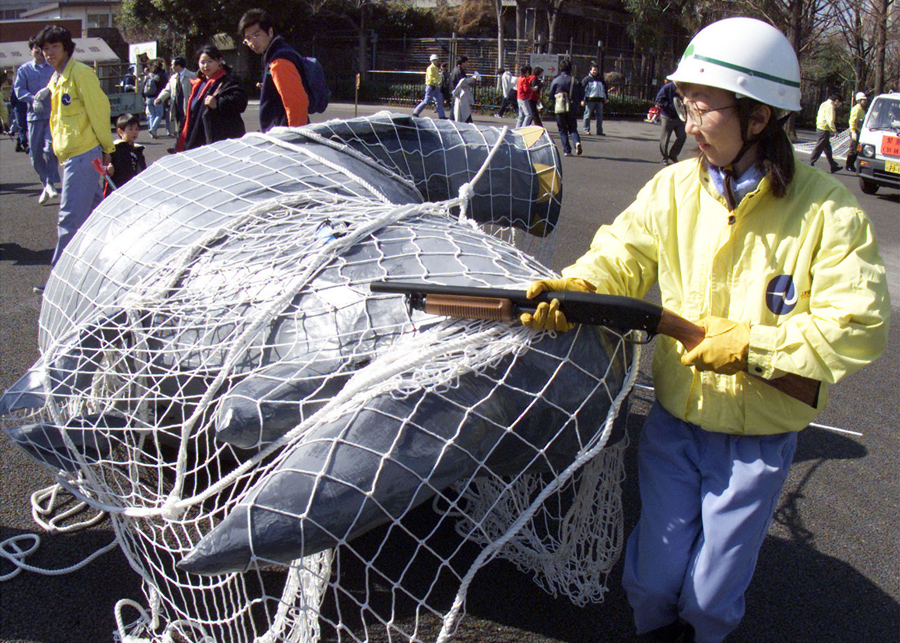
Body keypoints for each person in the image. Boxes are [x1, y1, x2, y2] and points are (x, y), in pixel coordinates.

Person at [519, 17, 890, 643]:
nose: (687, 123)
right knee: (650, 582)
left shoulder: (830, 210)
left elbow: (859, 326)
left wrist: (754, 347)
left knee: (712, 599)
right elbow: (622, 253)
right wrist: (578, 286)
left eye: (701, 108)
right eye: (684, 105)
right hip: (675, 421)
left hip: (759, 437)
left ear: (759, 115)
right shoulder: (673, 188)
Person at [36, 24, 114, 268]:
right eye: (45, 49)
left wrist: (107, 149)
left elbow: (99, 112)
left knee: (69, 219)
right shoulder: (56, 78)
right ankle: (110, 262)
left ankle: (58, 276)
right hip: (71, 155)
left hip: (83, 153)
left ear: (67, 48)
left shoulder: (80, 74)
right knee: (97, 215)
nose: (49, 53)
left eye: (54, 47)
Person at [239, 8, 309, 131]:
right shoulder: (275, 54)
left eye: (257, 35)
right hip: (282, 131)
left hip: (286, 135)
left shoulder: (279, 61)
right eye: (248, 38)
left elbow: (297, 106)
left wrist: (295, 139)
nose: (252, 42)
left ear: (270, 32)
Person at [176, 45, 248, 152]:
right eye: (202, 62)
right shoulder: (200, 82)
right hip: (197, 136)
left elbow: (240, 102)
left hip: (220, 139)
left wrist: (218, 103)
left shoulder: (228, 80)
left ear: (219, 61)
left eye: (210, 61)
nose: (205, 66)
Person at [14, 35, 60, 204]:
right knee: (34, 153)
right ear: (31, 50)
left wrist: (49, 90)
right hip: (33, 117)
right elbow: (19, 91)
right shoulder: (24, 70)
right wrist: (33, 99)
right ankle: (45, 182)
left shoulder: (53, 69)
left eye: (42, 49)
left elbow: (59, 84)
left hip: (51, 114)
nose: (40, 52)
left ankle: (50, 182)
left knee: (50, 149)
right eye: (36, 49)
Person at [155, 56, 196, 145]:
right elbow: (167, 89)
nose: (171, 67)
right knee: (178, 127)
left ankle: (184, 145)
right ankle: (179, 145)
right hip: (176, 107)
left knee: (187, 127)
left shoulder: (192, 76)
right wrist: (160, 98)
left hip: (187, 107)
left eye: (173, 65)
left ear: (179, 65)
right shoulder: (173, 78)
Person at [104, 113, 147, 197]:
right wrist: (108, 169)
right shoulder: (114, 148)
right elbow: (105, 166)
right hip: (118, 187)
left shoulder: (137, 150)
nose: (134, 132)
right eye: (130, 129)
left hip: (134, 188)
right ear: (120, 132)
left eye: (137, 129)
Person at [549, 60, 583, 157]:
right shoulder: (574, 80)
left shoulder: (556, 80)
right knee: (573, 128)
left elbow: (550, 94)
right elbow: (580, 94)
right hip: (572, 107)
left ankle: (567, 150)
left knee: (562, 129)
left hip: (560, 107)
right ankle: (576, 142)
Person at [809, 92, 842, 173]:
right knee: (819, 146)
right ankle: (810, 162)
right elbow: (830, 120)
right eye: (839, 103)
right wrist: (834, 130)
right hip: (824, 129)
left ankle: (833, 165)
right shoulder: (830, 106)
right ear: (836, 101)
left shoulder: (824, 103)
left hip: (820, 127)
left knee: (827, 148)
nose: (839, 105)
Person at [655, 80, 686, 164]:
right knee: (665, 138)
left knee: (682, 137)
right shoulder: (667, 87)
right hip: (667, 116)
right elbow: (659, 100)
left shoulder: (684, 88)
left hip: (679, 117)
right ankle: (664, 157)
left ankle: (673, 155)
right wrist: (672, 107)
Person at [412, 54, 445, 119]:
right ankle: (416, 112)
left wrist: (440, 79)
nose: (437, 61)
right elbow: (430, 77)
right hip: (431, 86)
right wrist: (437, 81)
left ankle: (442, 116)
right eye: (436, 60)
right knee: (426, 101)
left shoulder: (435, 68)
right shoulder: (430, 68)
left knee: (439, 100)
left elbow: (437, 77)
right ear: (433, 60)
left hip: (435, 86)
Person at [142, 59, 166, 139]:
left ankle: (152, 132)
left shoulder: (149, 75)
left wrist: (144, 97)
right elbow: (163, 86)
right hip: (157, 97)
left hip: (148, 97)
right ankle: (153, 129)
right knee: (159, 114)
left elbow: (143, 87)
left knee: (152, 115)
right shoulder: (159, 76)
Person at [581, 63, 607, 135]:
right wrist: (582, 99)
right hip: (590, 100)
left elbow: (604, 89)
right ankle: (586, 129)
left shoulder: (601, 79)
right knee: (587, 115)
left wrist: (605, 97)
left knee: (600, 116)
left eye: (596, 70)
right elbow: (582, 90)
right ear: (590, 70)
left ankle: (599, 131)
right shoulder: (587, 79)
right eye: (594, 70)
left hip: (599, 100)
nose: (595, 71)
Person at [845, 91, 868, 171]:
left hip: (859, 132)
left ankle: (851, 165)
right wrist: (853, 131)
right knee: (853, 149)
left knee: (857, 149)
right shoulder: (856, 109)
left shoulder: (862, 109)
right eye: (863, 100)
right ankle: (848, 165)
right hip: (855, 131)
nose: (865, 101)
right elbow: (852, 121)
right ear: (859, 100)